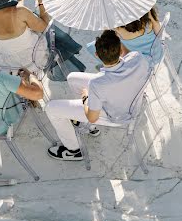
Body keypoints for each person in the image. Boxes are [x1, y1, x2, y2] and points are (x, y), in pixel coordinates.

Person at [45, 30, 150, 161]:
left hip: (115, 115)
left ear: (96, 55)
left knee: (50, 108)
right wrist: (113, 37)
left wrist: (85, 97)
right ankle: (83, 123)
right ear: (120, 49)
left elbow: (92, 117)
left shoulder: (97, 83)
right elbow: (126, 52)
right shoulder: (137, 58)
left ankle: (73, 150)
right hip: (129, 98)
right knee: (72, 78)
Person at [86, 7, 162, 64]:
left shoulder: (118, 29)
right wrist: (151, 17)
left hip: (140, 63)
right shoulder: (146, 20)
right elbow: (159, 32)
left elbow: (104, 29)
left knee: (92, 47)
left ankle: (110, 65)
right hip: (157, 53)